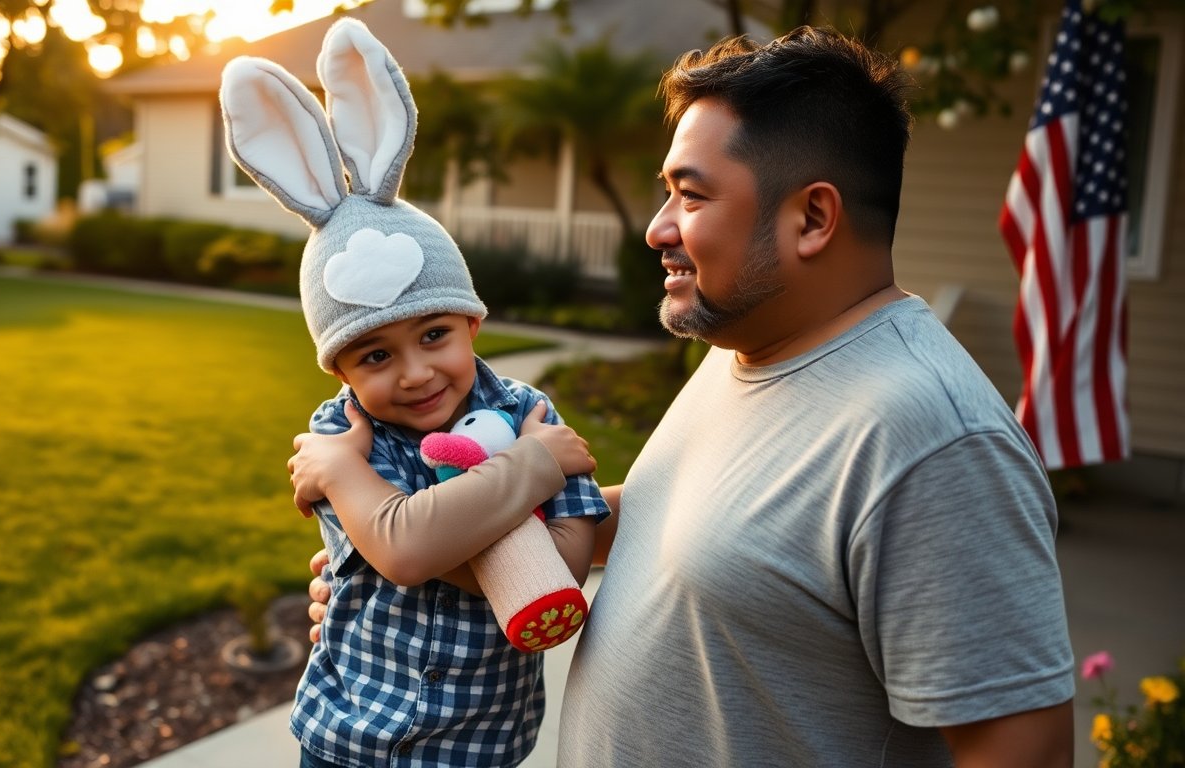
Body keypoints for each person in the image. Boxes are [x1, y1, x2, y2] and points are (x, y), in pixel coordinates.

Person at [305, 23, 1078, 766]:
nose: (656, 228)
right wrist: (373, 570)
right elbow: (687, 533)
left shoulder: (932, 442)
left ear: (813, 217)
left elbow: (1023, 757)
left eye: (691, 197)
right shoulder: (745, 351)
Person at [221, 18, 612, 768]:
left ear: (472, 321)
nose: (414, 373)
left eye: (434, 335)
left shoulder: (529, 412)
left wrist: (448, 527)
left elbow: (556, 575)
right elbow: (405, 551)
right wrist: (528, 477)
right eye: (373, 354)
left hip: (478, 750)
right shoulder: (339, 438)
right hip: (347, 741)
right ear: (339, 372)